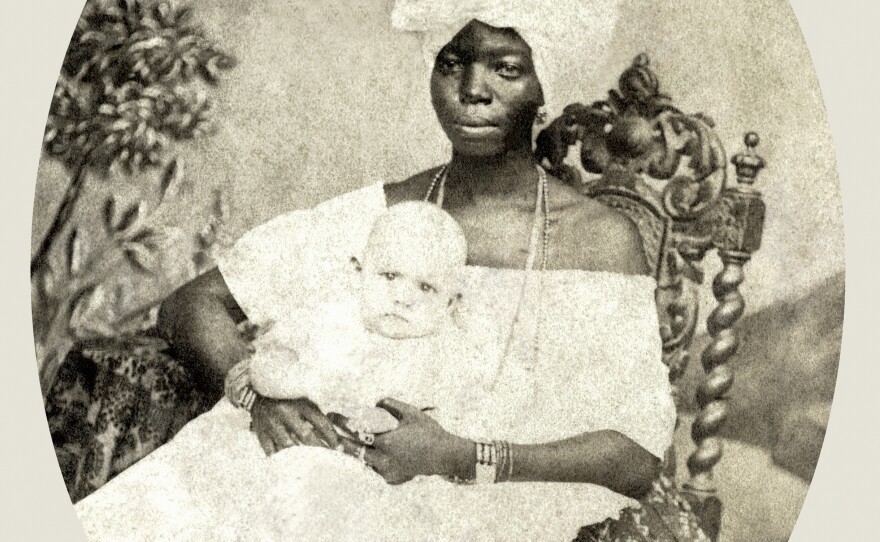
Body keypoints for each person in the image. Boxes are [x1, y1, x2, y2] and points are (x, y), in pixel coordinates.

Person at [75, 2, 708, 540]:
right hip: (332, 467)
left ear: (544, 86)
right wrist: (257, 394)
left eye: (506, 68)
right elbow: (192, 303)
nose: (473, 89)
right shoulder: (384, 212)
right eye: (452, 63)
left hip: (493, 496)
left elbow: (634, 457)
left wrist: (459, 456)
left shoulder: (599, 239)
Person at [225, 201, 483, 438]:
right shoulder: (329, 318)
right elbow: (265, 365)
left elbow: (450, 426)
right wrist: (303, 382)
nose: (403, 298)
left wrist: (392, 421)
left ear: (449, 303)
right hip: (300, 438)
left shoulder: (442, 355)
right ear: (358, 272)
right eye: (390, 276)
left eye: (425, 287)